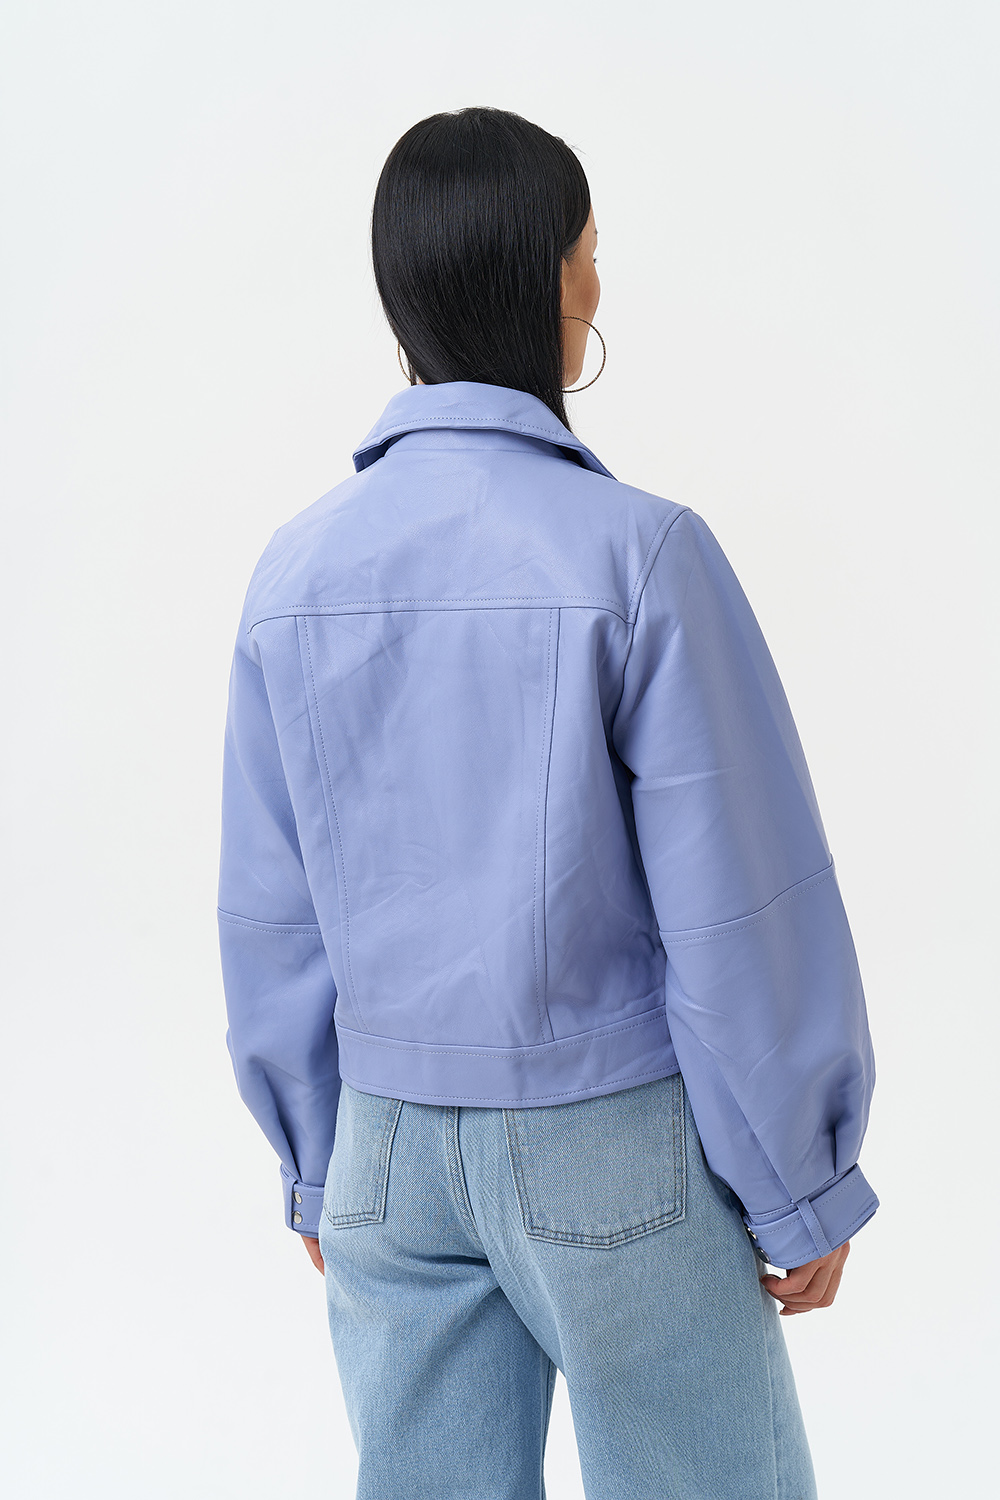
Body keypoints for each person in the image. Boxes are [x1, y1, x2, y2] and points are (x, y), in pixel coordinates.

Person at [217, 106, 879, 1500]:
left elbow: (270, 914)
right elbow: (739, 905)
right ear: (550, 280)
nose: (598, 279)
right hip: (611, 1144)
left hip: (386, 1151)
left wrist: (317, 1160)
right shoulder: (639, 554)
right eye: (589, 249)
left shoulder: (295, 572)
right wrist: (801, 1174)